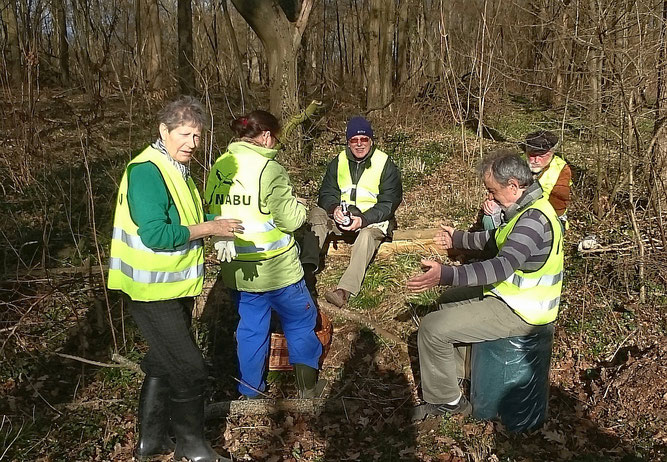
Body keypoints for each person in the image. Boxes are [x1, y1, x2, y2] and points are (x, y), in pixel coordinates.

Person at [107, 96, 239, 461]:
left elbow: (186, 219)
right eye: (184, 134)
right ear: (163, 131)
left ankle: (151, 443)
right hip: (150, 290)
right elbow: (156, 235)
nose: (192, 144)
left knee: (164, 361)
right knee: (191, 368)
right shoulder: (147, 171)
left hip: (173, 285)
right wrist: (210, 227)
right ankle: (192, 447)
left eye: (197, 136)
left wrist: (217, 225)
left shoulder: (176, 168)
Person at [407, 150, 564, 420]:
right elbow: (494, 239)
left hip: (524, 313)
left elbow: (500, 266)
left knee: (432, 328)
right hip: (512, 298)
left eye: (493, 191)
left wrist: (446, 274)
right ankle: (458, 376)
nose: (489, 198)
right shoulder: (525, 208)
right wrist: (457, 238)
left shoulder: (532, 221)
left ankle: (446, 403)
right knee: (450, 299)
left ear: (513, 186)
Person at [204, 110, 324, 400]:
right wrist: (300, 206)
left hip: (237, 269)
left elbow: (211, 212)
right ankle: (307, 388)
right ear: (267, 136)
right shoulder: (268, 170)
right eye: (277, 139)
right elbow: (292, 221)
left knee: (250, 329)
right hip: (276, 268)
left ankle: (250, 389)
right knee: (300, 323)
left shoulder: (220, 167)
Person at [300, 116, 402, 307]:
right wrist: (334, 208)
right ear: (348, 142)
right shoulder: (338, 161)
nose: (359, 144)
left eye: (364, 139)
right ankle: (305, 272)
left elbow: (389, 202)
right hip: (343, 217)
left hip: (372, 220)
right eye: (354, 140)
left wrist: (363, 220)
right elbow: (326, 192)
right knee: (316, 214)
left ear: (371, 141)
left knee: (366, 236)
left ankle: (344, 290)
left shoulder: (385, 163)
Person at [481, 130, 571, 230]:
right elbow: (497, 185)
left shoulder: (561, 170)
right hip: (517, 207)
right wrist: (492, 200)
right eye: (532, 155)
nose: (536, 160)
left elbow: (558, 207)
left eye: (541, 156)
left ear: (552, 153)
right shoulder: (519, 162)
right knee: (490, 214)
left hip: (547, 217)